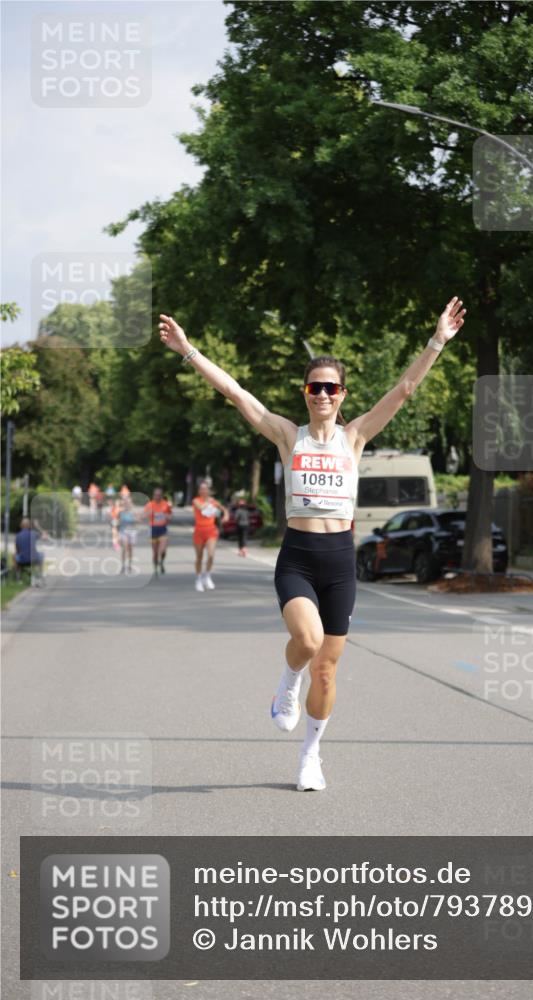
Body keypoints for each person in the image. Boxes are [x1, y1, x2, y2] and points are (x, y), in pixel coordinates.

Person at [159, 296, 465, 791]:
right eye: (314, 387)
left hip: (341, 562)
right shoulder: (287, 435)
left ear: (342, 393)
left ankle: (310, 755)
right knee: (308, 642)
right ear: (306, 393)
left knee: (326, 671)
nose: (322, 394)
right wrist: (188, 350)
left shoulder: (356, 436)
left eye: (330, 387)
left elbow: (405, 389)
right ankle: (285, 683)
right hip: (298, 558)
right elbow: (238, 394)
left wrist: (437, 341)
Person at [192, 482, 228, 592]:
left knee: (211, 555)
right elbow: (201, 507)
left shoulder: (213, 501)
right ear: (199, 491)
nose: (203, 491)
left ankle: (207, 576)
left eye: (205, 489)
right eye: (201, 489)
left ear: (208, 490)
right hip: (199, 531)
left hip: (211, 531)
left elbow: (224, 510)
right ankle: (198, 579)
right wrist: (209, 501)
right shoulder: (196, 500)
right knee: (199, 557)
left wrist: (225, 516)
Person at [143, 487, 173, 576]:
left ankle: (162, 561)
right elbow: (143, 516)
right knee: (155, 553)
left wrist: (166, 516)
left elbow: (170, 516)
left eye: (159, 495)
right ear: (153, 495)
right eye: (156, 495)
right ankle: (156, 567)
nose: (157, 497)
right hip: (153, 529)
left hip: (163, 529)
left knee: (162, 550)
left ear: (162, 496)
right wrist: (149, 513)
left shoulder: (166, 504)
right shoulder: (149, 504)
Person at [14, 518, 45, 585]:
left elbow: (17, 550)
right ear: (29, 526)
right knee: (42, 554)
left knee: (14, 556)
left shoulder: (18, 536)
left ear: (21, 526)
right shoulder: (33, 533)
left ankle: (18, 578)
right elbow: (44, 535)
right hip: (35, 559)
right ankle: (39, 576)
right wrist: (37, 526)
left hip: (22, 560)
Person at [112, 494, 137, 574]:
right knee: (124, 548)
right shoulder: (121, 512)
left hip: (132, 532)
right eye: (125, 503)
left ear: (131, 503)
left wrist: (135, 520)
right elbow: (117, 522)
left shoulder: (133, 512)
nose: (127, 504)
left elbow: (137, 521)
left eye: (128, 503)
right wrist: (116, 532)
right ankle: (123, 566)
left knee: (130, 550)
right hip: (123, 532)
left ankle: (129, 565)